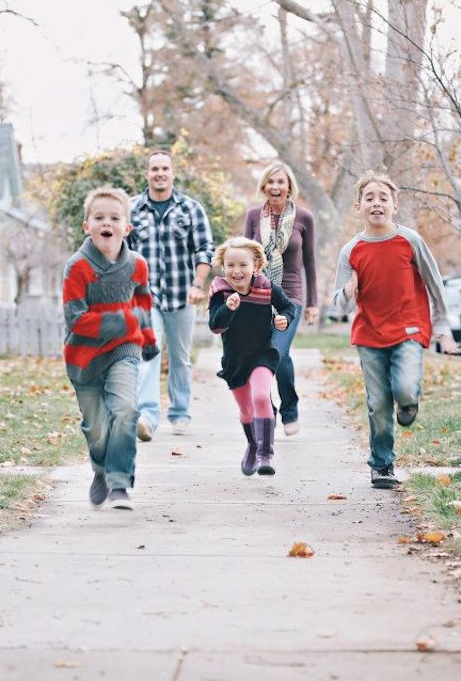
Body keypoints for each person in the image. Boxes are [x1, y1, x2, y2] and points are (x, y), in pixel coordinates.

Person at [331, 172, 459, 490]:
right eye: (369, 198)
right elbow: (340, 306)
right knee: (378, 403)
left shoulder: (410, 240)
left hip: (408, 327)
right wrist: (348, 291)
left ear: (394, 205)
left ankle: (409, 400)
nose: (377, 203)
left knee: (403, 389)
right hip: (369, 334)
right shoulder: (351, 250)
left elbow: (435, 283)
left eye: (383, 198)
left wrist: (443, 326)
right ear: (358, 207)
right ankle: (382, 465)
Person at [63, 186, 159, 511]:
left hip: (124, 349)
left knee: (126, 410)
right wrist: (124, 320)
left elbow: (143, 300)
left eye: (115, 218)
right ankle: (101, 470)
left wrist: (147, 337)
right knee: (97, 429)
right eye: (99, 217)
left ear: (126, 227)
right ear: (86, 226)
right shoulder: (77, 267)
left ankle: (120, 482)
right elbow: (76, 319)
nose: (107, 223)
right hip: (84, 357)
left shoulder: (137, 265)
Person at [128, 150, 215, 441]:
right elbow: (122, 253)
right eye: (154, 169)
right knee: (148, 355)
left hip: (182, 296)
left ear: (172, 173)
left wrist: (198, 284)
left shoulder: (191, 209)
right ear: (147, 174)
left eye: (165, 168)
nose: (160, 173)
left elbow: (204, 249)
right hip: (145, 297)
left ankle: (179, 414)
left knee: (180, 358)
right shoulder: (132, 209)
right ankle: (147, 417)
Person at [208, 237, 298, 476]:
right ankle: (253, 445)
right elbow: (215, 326)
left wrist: (284, 319)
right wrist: (228, 308)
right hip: (235, 361)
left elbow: (288, 307)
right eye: (230, 265)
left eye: (243, 265)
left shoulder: (266, 287)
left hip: (262, 354)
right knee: (247, 411)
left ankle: (265, 454)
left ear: (255, 266)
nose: (236, 271)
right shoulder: (220, 291)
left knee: (260, 397)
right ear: (223, 267)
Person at [242, 161, 318, 436]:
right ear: (264, 186)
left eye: (280, 182)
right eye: (271, 182)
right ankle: (267, 410)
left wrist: (312, 303)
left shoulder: (304, 218)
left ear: (289, 187)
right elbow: (244, 258)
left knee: (278, 350)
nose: (275, 187)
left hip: (290, 297)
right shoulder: (253, 216)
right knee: (261, 353)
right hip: (259, 295)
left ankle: (290, 409)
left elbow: (309, 262)